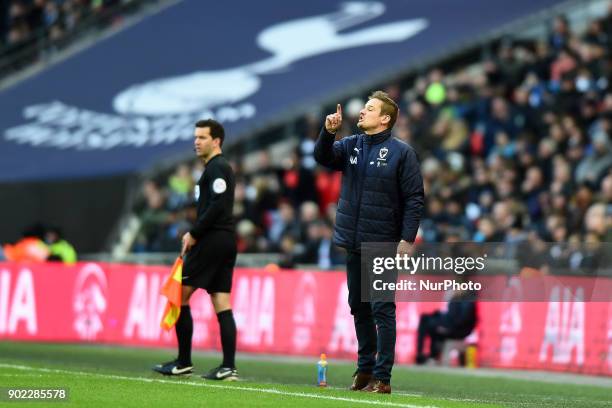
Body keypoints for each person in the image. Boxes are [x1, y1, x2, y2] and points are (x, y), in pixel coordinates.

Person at [314, 91, 424, 393]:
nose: (362, 112)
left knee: (381, 309)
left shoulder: (402, 153)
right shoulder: (352, 145)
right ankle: (363, 370)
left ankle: (383, 376)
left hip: (383, 243)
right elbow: (323, 157)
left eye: (370, 108)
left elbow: (415, 199)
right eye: (364, 107)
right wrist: (329, 132)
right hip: (353, 240)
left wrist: (406, 239)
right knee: (358, 307)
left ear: (385, 118)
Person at [153, 119, 238, 381]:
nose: (196, 141)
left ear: (217, 141)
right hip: (225, 240)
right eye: (196, 137)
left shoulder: (217, 167)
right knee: (221, 301)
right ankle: (228, 367)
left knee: (178, 293)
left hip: (212, 240)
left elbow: (217, 206)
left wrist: (194, 233)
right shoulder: (215, 168)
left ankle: (183, 361)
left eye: (202, 137)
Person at [415, 290, 477, 364]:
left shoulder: (466, 303)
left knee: (432, 327)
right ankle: (423, 354)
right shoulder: (457, 300)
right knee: (425, 320)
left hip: (457, 330)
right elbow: (450, 316)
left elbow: (459, 320)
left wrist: (447, 328)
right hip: (451, 325)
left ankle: (430, 356)